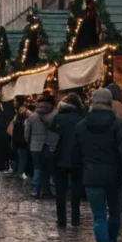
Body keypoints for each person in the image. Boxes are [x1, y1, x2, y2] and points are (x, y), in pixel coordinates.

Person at [73, 88, 122, 242]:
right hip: (114, 177)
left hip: (92, 177)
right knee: (115, 215)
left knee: (99, 218)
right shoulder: (118, 125)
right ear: (110, 104)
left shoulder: (81, 126)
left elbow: (75, 156)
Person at [51, 92, 85, 228]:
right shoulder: (81, 119)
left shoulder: (57, 118)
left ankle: (61, 220)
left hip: (59, 159)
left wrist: (50, 155)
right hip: (77, 159)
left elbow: (51, 141)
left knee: (60, 190)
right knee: (76, 190)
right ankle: (75, 219)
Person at [24, 94, 58, 198]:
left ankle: (35, 191)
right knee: (50, 169)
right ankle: (49, 190)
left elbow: (27, 133)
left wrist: (29, 142)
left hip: (35, 147)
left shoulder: (32, 116)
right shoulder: (55, 114)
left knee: (37, 168)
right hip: (51, 145)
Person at [12, 103, 30, 178]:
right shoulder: (25, 120)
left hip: (16, 141)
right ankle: (20, 172)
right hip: (23, 141)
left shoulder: (16, 119)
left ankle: (16, 171)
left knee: (18, 157)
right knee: (23, 157)